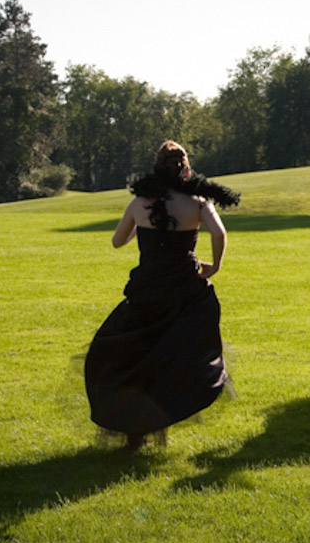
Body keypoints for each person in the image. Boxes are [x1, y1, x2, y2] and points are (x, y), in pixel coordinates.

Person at [84, 140, 240, 449]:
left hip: (148, 288)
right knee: (178, 350)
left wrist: (141, 228)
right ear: (186, 167)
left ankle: (134, 425)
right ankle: (169, 406)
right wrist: (215, 267)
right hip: (184, 287)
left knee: (135, 352)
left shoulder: (141, 202)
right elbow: (220, 234)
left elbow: (117, 241)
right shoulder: (197, 201)